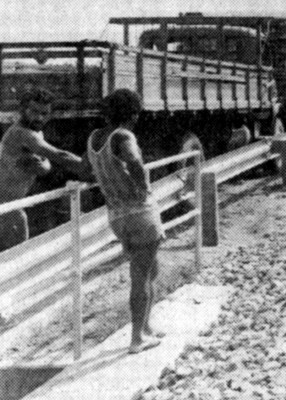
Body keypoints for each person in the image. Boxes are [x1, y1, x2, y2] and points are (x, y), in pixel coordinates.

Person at [82, 89, 166, 354]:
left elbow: (87, 168)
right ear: (132, 113)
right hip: (139, 212)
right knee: (141, 276)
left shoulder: (95, 137)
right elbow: (135, 161)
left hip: (116, 216)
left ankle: (146, 326)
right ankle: (136, 339)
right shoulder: (124, 135)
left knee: (151, 269)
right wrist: (143, 188)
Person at [0, 88, 83, 251]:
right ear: (22, 110)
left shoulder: (36, 132)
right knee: (16, 260)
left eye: (44, 113)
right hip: (5, 206)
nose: (39, 117)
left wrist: (45, 166)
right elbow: (61, 155)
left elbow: (44, 164)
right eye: (34, 112)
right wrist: (96, 167)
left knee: (15, 259)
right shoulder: (21, 133)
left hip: (12, 205)